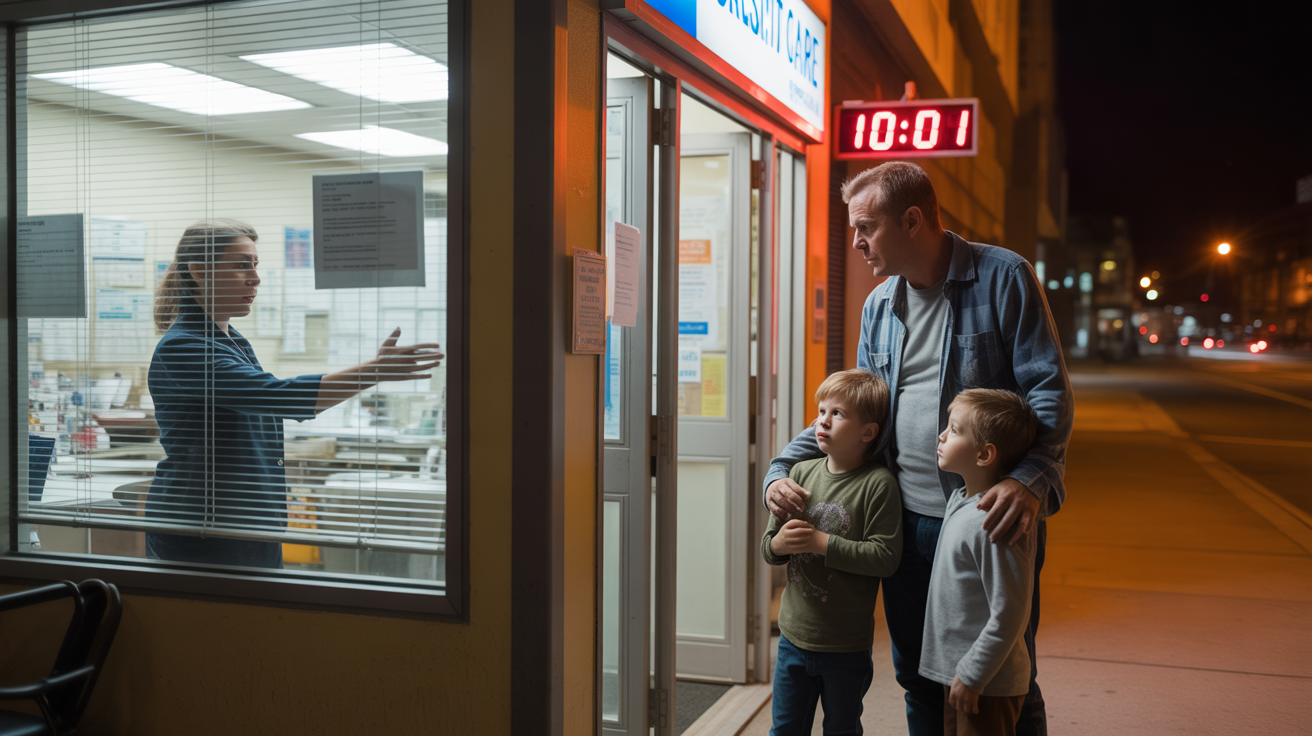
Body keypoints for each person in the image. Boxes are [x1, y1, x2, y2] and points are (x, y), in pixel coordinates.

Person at [764, 161, 1073, 736]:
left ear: (911, 220)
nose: (854, 242)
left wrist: (1027, 481)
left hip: (985, 520)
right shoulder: (880, 305)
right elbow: (858, 414)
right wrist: (781, 467)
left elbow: (1048, 393)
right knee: (918, 676)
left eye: (865, 227)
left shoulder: (1003, 277)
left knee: (1006, 678)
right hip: (903, 523)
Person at [146, 219, 443, 568]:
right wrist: (373, 371)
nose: (255, 278)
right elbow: (276, 396)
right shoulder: (183, 347)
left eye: (255, 265)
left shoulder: (232, 341)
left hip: (247, 526)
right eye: (242, 265)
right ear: (199, 271)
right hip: (203, 529)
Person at [761, 369, 903, 735]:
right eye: (821, 411)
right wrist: (780, 544)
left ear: (867, 432)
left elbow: (884, 558)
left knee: (841, 727)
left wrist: (819, 543)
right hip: (793, 636)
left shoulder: (878, 485)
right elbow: (769, 546)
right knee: (785, 728)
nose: (822, 421)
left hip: (845, 644)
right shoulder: (799, 473)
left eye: (837, 414)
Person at [921, 389, 1040, 736]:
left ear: (985, 454)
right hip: (959, 674)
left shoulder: (995, 521)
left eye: (955, 430)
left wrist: (973, 675)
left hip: (988, 682)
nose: (942, 435)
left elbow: (1011, 612)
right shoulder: (961, 500)